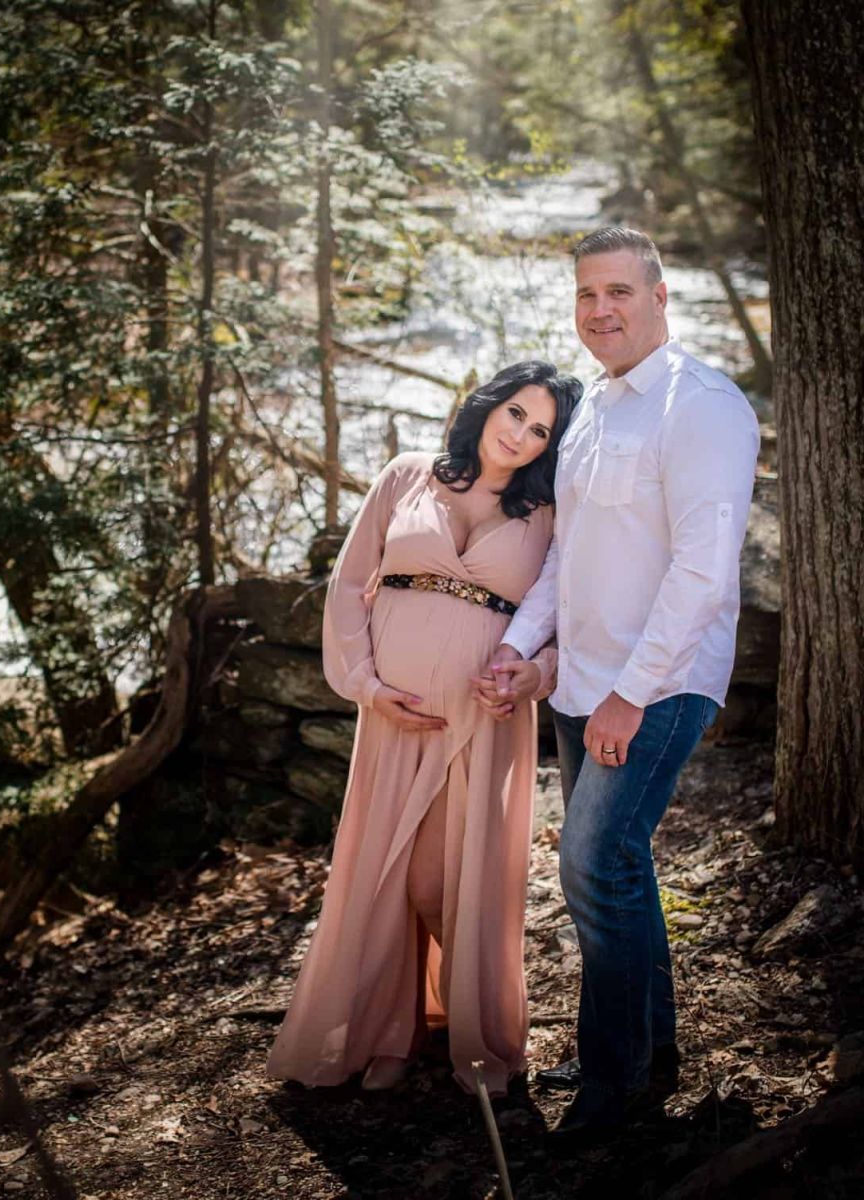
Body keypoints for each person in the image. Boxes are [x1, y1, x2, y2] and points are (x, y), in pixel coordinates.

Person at [477, 226, 760, 1140]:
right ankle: (645, 1051)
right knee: (620, 865)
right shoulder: (593, 406)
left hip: (657, 684)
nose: (600, 310)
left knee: (594, 864)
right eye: (586, 294)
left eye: (619, 292)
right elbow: (566, 555)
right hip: (581, 682)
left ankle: (617, 1081)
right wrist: (519, 645)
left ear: (660, 296)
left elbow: (703, 571)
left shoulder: (701, 405)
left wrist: (630, 694)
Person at [267, 360, 581, 1096]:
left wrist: (536, 675)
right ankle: (391, 1032)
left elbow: (572, 618)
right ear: (488, 405)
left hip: (481, 720)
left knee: (438, 880)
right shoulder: (407, 475)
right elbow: (350, 584)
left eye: (541, 431)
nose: (521, 436)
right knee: (384, 872)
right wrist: (367, 687)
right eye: (516, 413)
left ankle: (477, 1025)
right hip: (393, 718)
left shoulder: (550, 515)